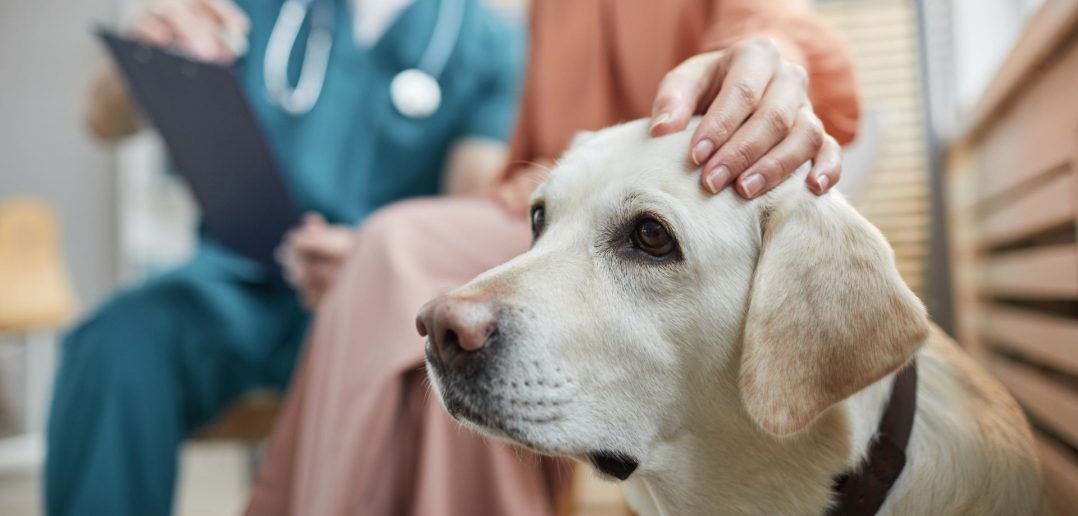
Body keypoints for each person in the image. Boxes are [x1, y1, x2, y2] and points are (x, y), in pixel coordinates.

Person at [243, 0, 860, 515]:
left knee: (402, 254)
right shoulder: (543, 11)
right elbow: (526, 175)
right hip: (547, 229)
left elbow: (770, 27)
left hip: (672, 240)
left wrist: (768, 60)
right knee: (414, 284)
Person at [46, 1, 525, 515]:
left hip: (376, 306)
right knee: (115, 343)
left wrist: (375, 258)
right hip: (236, 286)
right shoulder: (260, 8)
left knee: (428, 388)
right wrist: (149, 51)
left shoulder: (488, 42)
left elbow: (467, 203)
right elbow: (101, 119)